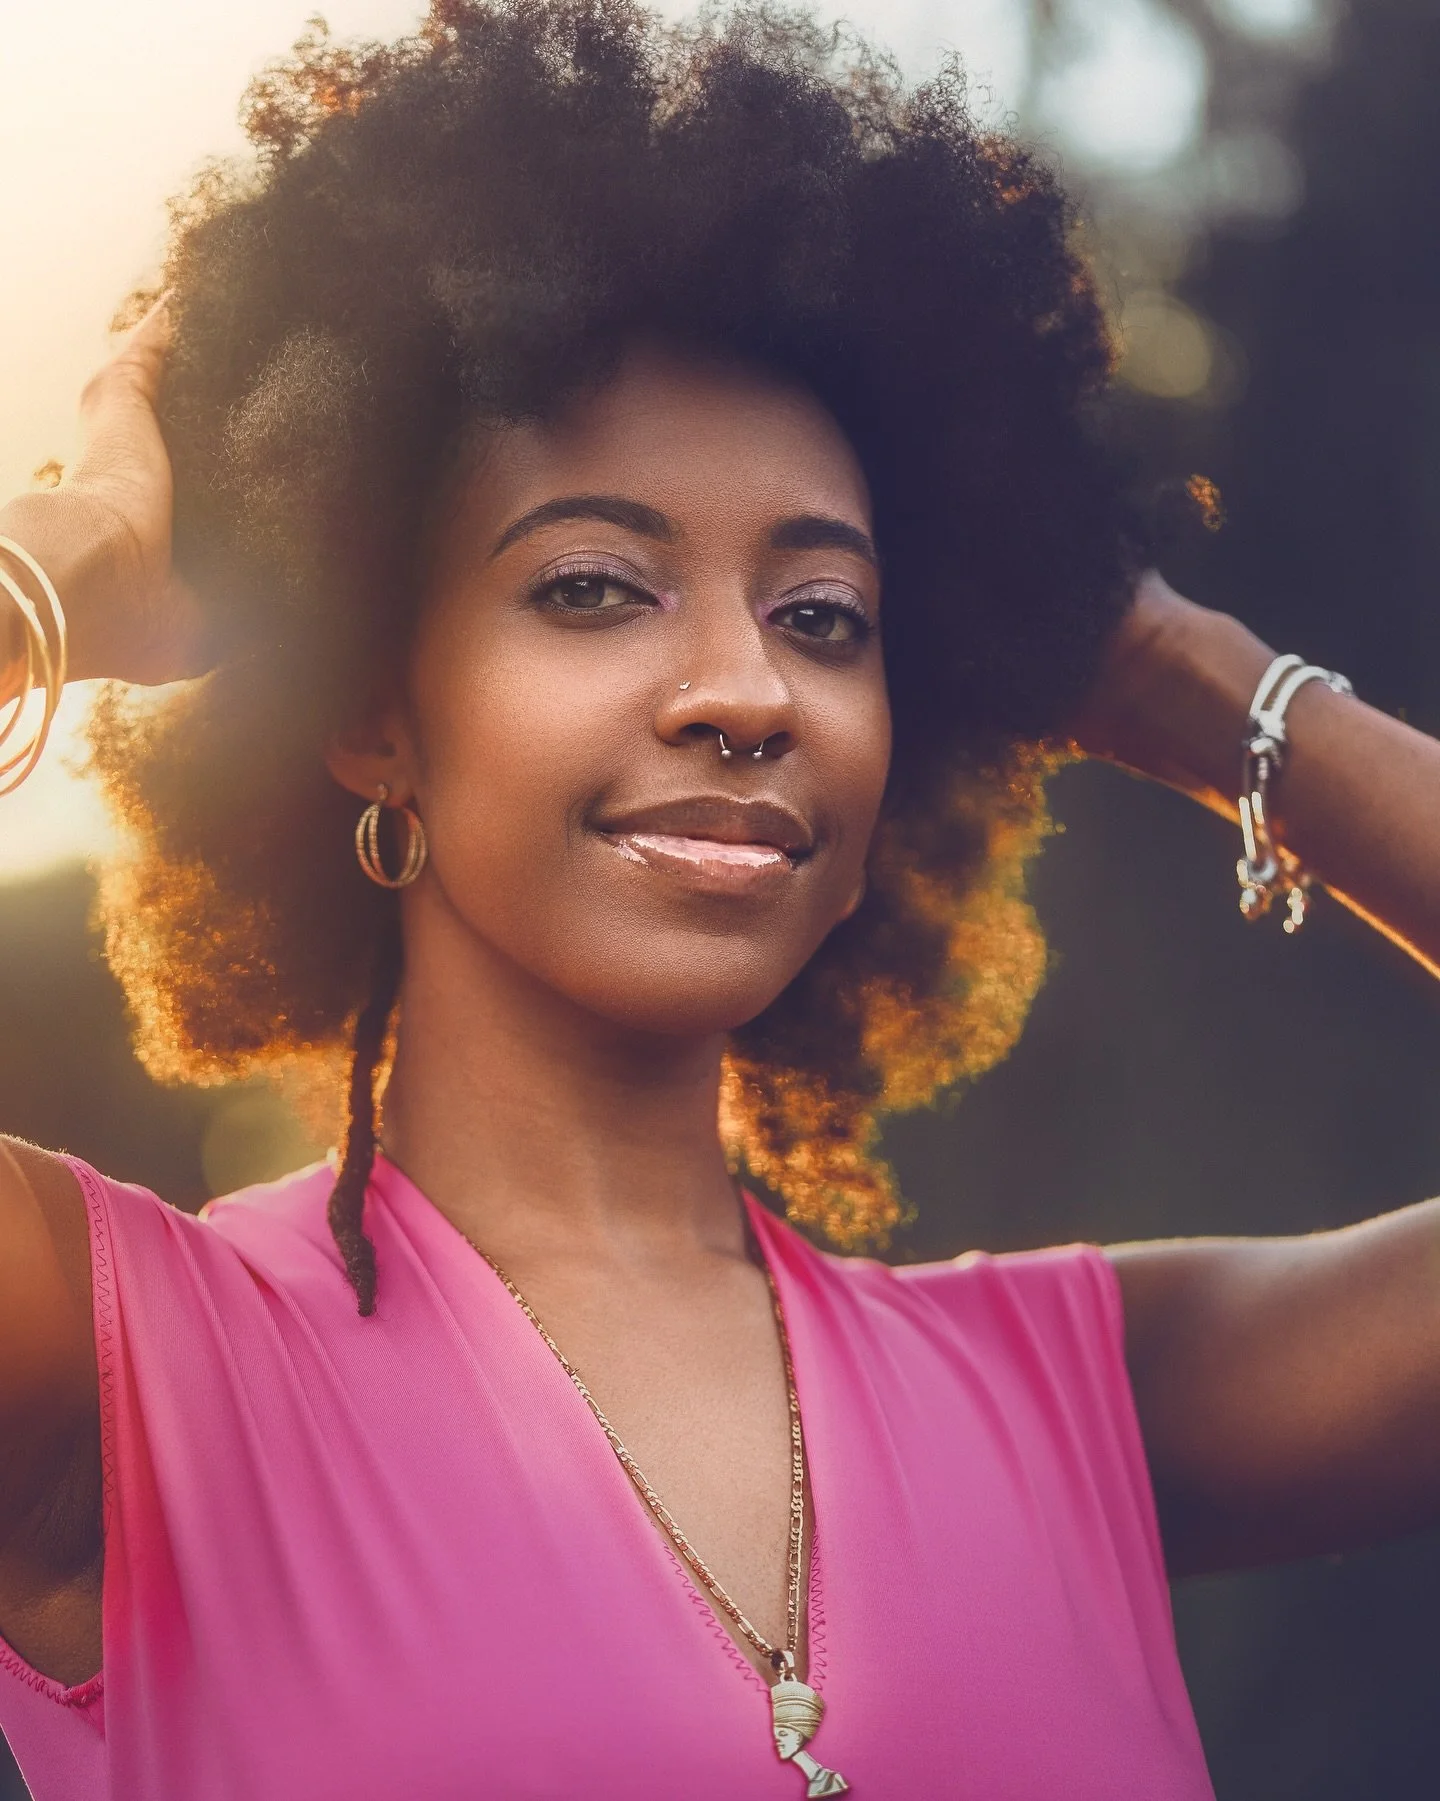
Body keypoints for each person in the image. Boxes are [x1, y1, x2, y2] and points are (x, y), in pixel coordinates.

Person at [1, 3, 1438, 1796]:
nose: (750, 691)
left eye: (827, 617)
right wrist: (64, 570)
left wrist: (1166, 663)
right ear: (376, 714)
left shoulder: (1088, 1400)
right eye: (598, 588)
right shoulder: (113, 1373)